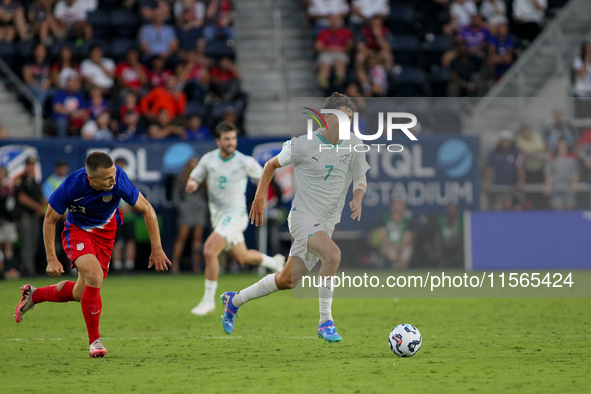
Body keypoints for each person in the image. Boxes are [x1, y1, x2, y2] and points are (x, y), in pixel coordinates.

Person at [218, 92, 370, 343]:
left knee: (287, 280)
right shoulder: (303, 144)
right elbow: (270, 166)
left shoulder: (354, 144)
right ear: (327, 117)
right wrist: (258, 198)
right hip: (302, 218)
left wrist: (358, 197)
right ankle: (325, 321)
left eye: (351, 118)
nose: (348, 123)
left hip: (326, 223)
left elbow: (360, 176)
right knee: (332, 255)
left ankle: (233, 301)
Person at [14, 152, 171, 358]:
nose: (113, 180)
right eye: (107, 178)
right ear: (91, 179)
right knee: (95, 277)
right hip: (78, 232)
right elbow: (50, 219)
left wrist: (157, 249)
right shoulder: (71, 186)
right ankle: (95, 342)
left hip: (106, 234)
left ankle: (34, 295)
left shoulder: (118, 179)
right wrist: (51, 258)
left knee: (82, 293)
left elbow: (147, 209)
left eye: (113, 175)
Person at [185, 121, 285, 316]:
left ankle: (208, 301)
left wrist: (265, 198)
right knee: (242, 256)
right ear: (218, 141)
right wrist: (192, 184)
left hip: (236, 215)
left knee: (209, 250)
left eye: (233, 138)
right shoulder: (208, 159)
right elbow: (194, 177)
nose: (231, 142)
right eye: (227, 139)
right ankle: (274, 262)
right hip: (219, 217)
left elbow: (266, 174)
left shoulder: (244, 161)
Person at [171, 157, 207, 274]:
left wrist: (203, 206)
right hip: (186, 211)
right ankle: (174, 265)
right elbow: (176, 196)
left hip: (199, 210)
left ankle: (196, 266)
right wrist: (182, 207)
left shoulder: (202, 178)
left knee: (197, 239)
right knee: (182, 238)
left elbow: (207, 193)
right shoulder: (182, 178)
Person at [14, 156, 46, 276]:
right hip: (25, 215)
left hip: (35, 216)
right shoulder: (20, 180)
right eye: (29, 164)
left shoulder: (34, 180)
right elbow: (22, 198)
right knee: (26, 241)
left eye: (33, 165)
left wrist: (42, 206)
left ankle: (29, 266)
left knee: (33, 241)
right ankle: (27, 268)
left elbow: (40, 196)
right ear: (26, 166)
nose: (31, 167)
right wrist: (37, 207)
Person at [371, 199, 414, 270]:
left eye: (399, 206)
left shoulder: (407, 220)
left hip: (402, 245)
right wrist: (392, 245)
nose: (397, 208)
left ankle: (400, 265)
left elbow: (408, 237)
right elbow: (382, 235)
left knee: (408, 249)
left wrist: (399, 246)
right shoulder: (384, 218)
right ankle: (397, 264)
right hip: (387, 245)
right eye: (395, 206)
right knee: (390, 251)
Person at [112, 158, 136, 272]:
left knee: (130, 240)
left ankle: (129, 264)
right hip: (115, 217)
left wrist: (129, 207)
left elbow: (135, 196)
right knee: (115, 241)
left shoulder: (128, 180)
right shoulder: (110, 181)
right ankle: (117, 265)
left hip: (128, 216)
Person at [544, 137, 579, 210]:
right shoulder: (553, 158)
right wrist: (548, 184)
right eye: (560, 143)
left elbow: (575, 172)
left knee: (570, 207)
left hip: (568, 186)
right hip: (556, 186)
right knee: (558, 207)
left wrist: (574, 183)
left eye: (564, 143)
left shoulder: (572, 158)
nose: (562, 145)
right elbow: (549, 173)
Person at [0, 166, 17, 279]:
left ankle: (8, 269)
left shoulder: (9, 188)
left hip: (8, 220)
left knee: (8, 245)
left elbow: (12, 206)